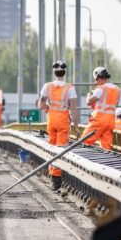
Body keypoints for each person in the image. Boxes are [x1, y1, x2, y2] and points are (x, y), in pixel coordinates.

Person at [38, 61, 78, 190]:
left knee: (52, 148)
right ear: (64, 72)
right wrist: (76, 127)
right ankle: (56, 179)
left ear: (54, 72)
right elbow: (73, 109)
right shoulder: (69, 88)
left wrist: (49, 107)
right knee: (61, 150)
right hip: (63, 122)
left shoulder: (47, 86)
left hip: (52, 120)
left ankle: (53, 176)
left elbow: (41, 106)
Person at [82, 67, 121, 150]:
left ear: (99, 77)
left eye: (96, 80)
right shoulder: (117, 90)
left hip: (98, 120)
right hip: (110, 121)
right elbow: (114, 105)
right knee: (106, 147)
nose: (96, 82)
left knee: (84, 142)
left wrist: (89, 94)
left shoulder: (101, 89)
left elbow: (89, 102)